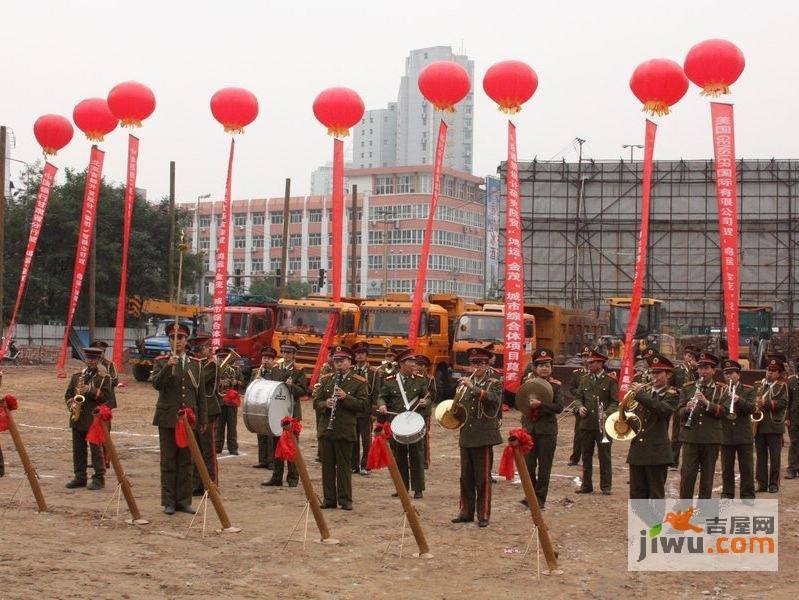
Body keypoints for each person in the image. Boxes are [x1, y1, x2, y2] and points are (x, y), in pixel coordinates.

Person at [151, 323, 207, 514]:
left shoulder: (196, 364)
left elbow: (200, 395)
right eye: (174, 338)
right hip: (168, 418)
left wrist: (203, 420)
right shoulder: (161, 361)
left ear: (186, 341)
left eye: (181, 338)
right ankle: (169, 501)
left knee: (186, 460)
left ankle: (184, 500)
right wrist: (168, 367)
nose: (178, 342)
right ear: (169, 341)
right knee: (168, 460)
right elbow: (157, 385)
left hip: (189, 420)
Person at [451, 347, 503, 528]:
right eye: (474, 363)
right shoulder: (463, 384)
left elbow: (493, 400)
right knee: (465, 477)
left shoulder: (494, 382)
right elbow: (459, 409)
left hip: (484, 435)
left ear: (488, 364)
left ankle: (483, 514)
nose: (478, 366)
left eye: (482, 363)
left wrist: (473, 388)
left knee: (483, 478)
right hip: (466, 435)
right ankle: (466, 512)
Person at [312, 346, 369, 510]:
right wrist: (325, 404)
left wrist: (346, 397)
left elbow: (364, 405)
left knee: (344, 467)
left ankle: (345, 500)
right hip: (326, 429)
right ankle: (329, 499)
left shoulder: (358, 382)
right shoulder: (326, 379)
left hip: (344, 430)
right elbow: (316, 401)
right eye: (336, 361)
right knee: (327, 467)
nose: (338, 364)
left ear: (349, 362)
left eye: (341, 361)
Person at [377, 349, 432, 499]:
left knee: (417, 455)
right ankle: (402, 487)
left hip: (414, 422)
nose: (414, 365)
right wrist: (382, 405)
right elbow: (382, 397)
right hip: (397, 423)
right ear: (401, 364)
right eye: (411, 362)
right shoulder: (390, 381)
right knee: (399, 457)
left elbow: (428, 397)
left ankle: (418, 488)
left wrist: (425, 402)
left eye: (414, 362)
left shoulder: (420, 380)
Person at [626, 354, 679, 500]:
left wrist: (641, 395)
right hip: (637, 450)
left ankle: (655, 524)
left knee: (655, 495)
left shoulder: (672, 394)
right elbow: (634, 417)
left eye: (658, 373)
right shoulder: (644, 394)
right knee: (636, 495)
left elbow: (663, 410)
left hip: (657, 453)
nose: (653, 376)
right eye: (652, 372)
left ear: (668, 375)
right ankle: (639, 523)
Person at [64, 346, 116, 490]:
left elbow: (108, 398)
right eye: (88, 358)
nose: (91, 361)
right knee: (78, 450)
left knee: (96, 451)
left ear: (99, 360)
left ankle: (99, 478)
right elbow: (68, 394)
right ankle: (80, 477)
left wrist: (92, 390)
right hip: (78, 417)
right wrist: (72, 406)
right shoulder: (76, 376)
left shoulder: (104, 378)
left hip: (94, 420)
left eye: (93, 358)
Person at [519, 348, 564, 509]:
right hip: (529, 430)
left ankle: (540, 498)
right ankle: (530, 495)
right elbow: (521, 403)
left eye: (548, 365)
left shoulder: (556, 386)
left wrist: (541, 405)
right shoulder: (527, 383)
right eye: (541, 365)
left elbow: (559, 407)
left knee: (545, 467)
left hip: (547, 431)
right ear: (534, 368)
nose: (545, 368)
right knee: (529, 466)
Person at [678, 351, 726, 500]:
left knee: (707, 477)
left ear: (713, 371)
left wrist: (706, 403)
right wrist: (687, 408)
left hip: (710, 438)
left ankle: (704, 512)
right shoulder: (688, 387)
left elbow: (724, 412)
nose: (703, 372)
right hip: (691, 437)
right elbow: (678, 411)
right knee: (687, 475)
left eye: (707, 368)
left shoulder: (721, 389)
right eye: (701, 368)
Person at [573, 348, 618, 495]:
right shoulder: (585, 379)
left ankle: (606, 486)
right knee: (586, 456)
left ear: (600, 363)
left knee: (604, 456)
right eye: (588, 362)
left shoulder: (610, 380)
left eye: (592, 362)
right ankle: (586, 485)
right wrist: (579, 407)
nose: (589, 364)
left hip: (603, 425)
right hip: (586, 424)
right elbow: (578, 397)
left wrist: (607, 413)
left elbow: (615, 401)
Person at [262, 341, 308, 487]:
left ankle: (293, 477)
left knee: (291, 444)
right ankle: (277, 476)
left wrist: (291, 386)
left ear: (294, 355)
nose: (286, 355)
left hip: (291, 411)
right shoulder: (276, 368)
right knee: (277, 445)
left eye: (289, 352)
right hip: (276, 411)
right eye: (284, 352)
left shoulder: (299, 370)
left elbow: (303, 390)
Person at [719, 359, 756, 500]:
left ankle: (747, 495)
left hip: (743, 434)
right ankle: (727, 494)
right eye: (726, 374)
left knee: (746, 467)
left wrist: (739, 399)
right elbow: (719, 409)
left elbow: (752, 408)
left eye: (731, 373)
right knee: (727, 468)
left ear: (738, 375)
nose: (728, 376)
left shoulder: (748, 389)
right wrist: (727, 399)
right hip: (726, 434)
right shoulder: (720, 390)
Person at [190, 335, 221, 495]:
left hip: (209, 410)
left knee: (208, 450)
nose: (208, 351)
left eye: (206, 348)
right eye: (204, 348)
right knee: (196, 449)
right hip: (196, 410)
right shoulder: (196, 364)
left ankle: (211, 484)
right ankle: (197, 484)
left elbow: (197, 381)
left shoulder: (211, 365)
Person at [754, 357, 789, 493]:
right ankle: (761, 483)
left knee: (775, 457)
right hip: (759, 425)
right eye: (769, 370)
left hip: (774, 426)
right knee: (760, 457)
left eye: (773, 371)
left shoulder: (782, 386)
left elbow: (783, 403)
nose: (770, 373)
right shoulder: (759, 384)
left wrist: (766, 403)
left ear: (779, 373)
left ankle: (774, 483)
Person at [670, 344, 699, 470]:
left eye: (692, 356)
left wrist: (696, 370)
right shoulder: (677, 370)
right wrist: (677, 391)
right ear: (684, 356)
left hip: (695, 405)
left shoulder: (698, 371)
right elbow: (669, 386)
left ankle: (696, 463)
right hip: (680, 404)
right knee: (676, 434)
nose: (690, 358)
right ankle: (673, 461)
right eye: (688, 355)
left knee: (694, 432)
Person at [352, 341, 379, 476]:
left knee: (366, 440)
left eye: (362, 354)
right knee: (353, 439)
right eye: (357, 354)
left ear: (367, 356)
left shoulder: (373, 373)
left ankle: (365, 465)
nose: (359, 356)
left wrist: (374, 412)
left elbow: (376, 393)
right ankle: (354, 465)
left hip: (366, 410)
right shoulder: (351, 370)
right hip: (352, 410)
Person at [250, 348, 278, 469]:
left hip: (271, 406)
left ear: (273, 360)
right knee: (260, 432)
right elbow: (250, 388)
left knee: (270, 434)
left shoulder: (277, 372)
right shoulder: (256, 372)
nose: (265, 361)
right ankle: (262, 460)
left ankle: (271, 461)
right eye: (264, 358)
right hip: (259, 405)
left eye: (268, 359)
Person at [214, 346, 243, 456]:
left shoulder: (236, 369)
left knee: (232, 426)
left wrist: (234, 382)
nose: (222, 360)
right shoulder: (215, 368)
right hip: (220, 400)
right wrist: (220, 382)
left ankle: (233, 447)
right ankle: (217, 446)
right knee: (219, 425)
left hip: (231, 401)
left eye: (225, 357)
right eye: (220, 357)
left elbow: (241, 382)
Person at [566, 347, 591, 466]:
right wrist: (580, 394)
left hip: (593, 407)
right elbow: (571, 388)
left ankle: (588, 458)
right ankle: (575, 458)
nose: (586, 359)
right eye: (584, 357)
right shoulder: (577, 374)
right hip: (580, 406)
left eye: (588, 356)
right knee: (578, 434)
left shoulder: (597, 373)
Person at [415, 355, 437, 469]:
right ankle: (413, 460)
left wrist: (426, 401)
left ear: (426, 367)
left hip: (424, 412)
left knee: (424, 437)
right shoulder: (412, 378)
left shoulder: (430, 379)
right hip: (413, 411)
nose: (419, 367)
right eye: (417, 364)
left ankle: (425, 461)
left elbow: (433, 395)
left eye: (421, 365)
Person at [786, 356, 799, 479]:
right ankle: (792, 469)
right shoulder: (791, 381)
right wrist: (787, 417)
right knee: (794, 443)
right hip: (794, 418)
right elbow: (787, 402)